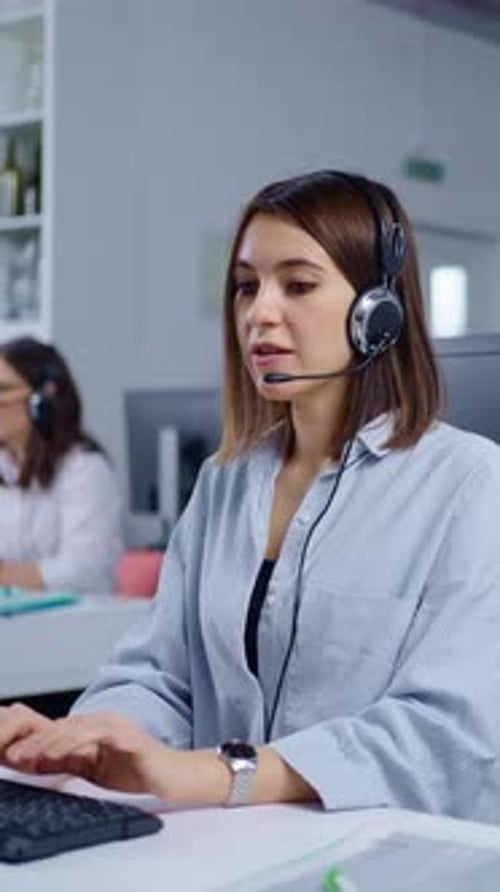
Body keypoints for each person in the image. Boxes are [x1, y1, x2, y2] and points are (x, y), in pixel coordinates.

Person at [1, 171, 500, 822]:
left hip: (389, 855)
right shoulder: (225, 482)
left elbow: (448, 734)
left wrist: (215, 774)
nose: (259, 312)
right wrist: (88, 739)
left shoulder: (469, 484)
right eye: (245, 286)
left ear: (377, 314)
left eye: (297, 284)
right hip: (237, 847)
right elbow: (158, 673)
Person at [0, 336, 122, 593]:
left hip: (76, 623)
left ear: (42, 399)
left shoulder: (85, 470)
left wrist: (7, 574)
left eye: (3, 389)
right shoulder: (5, 466)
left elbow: (81, 572)